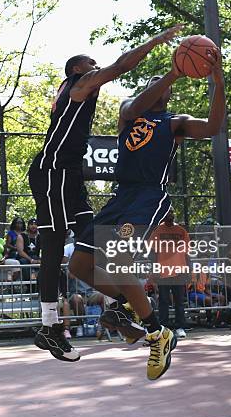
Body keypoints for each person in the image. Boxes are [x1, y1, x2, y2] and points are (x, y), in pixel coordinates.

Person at [30, 25, 183, 363]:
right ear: (76, 71)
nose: (96, 67)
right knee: (54, 245)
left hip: (70, 178)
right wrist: (157, 42)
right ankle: (49, 325)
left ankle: (117, 308)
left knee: (90, 242)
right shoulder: (77, 86)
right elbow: (122, 65)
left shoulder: (80, 90)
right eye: (90, 63)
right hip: (52, 172)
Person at [70, 44, 225, 379]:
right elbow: (138, 102)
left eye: (164, 83)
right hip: (120, 196)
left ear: (169, 96)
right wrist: (173, 71)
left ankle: (157, 332)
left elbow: (213, 127)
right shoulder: (129, 111)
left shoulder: (175, 123)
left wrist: (219, 80)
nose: (159, 85)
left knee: (120, 260)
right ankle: (124, 305)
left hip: (148, 197)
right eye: (153, 82)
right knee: (79, 265)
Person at [149, 209, 189, 339]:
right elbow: (152, 252)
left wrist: (188, 269)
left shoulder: (181, 231)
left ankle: (180, 327)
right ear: (163, 215)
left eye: (172, 212)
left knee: (179, 301)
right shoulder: (157, 231)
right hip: (163, 271)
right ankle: (164, 327)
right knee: (164, 301)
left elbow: (187, 252)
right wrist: (155, 268)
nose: (170, 215)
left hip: (179, 271)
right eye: (167, 213)